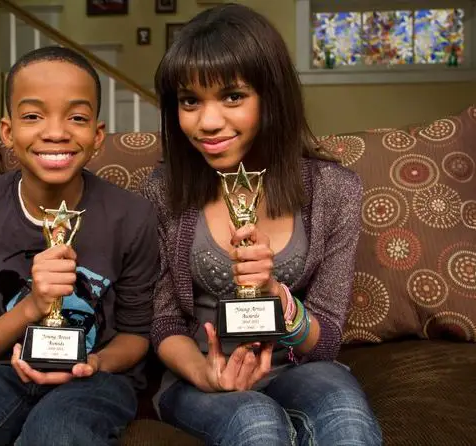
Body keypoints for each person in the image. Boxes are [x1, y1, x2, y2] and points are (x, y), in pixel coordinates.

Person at [140, 4, 383, 445]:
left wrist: (278, 299)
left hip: (296, 366)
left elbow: (325, 340)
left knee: (345, 414)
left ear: (271, 96)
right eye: (190, 101)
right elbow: (163, 322)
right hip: (198, 373)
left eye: (233, 96)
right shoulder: (163, 191)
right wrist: (206, 371)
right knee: (255, 422)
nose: (209, 122)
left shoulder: (334, 190)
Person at [0, 46, 159, 446]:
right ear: (8, 132)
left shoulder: (133, 215)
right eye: (33, 116)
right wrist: (32, 307)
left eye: (76, 117)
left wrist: (93, 363)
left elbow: (136, 335)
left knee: (59, 433)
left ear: (97, 135)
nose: (55, 132)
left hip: (95, 378)